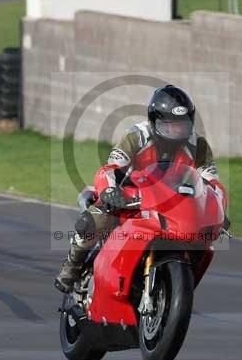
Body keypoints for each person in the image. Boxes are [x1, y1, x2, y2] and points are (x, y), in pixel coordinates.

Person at [54, 85, 226, 293]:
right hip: (133, 196)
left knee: (202, 240)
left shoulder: (198, 145)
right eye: (168, 125)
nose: (176, 131)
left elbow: (212, 184)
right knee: (93, 220)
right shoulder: (137, 136)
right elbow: (112, 168)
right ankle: (71, 268)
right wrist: (109, 191)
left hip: (176, 204)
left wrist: (219, 210)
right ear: (154, 121)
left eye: (182, 125)